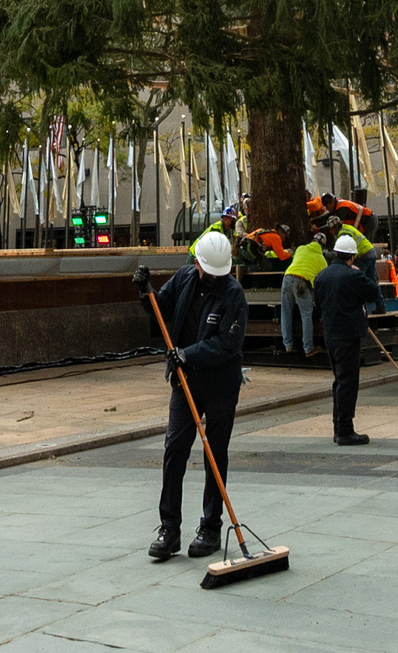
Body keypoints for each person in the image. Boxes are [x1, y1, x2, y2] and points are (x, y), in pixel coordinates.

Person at [145, 229, 249, 561]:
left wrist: (188, 354)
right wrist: (145, 291)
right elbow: (161, 308)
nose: (214, 278)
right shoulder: (185, 277)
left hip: (219, 385)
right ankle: (169, 528)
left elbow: (226, 344)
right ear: (198, 263)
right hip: (184, 381)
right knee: (175, 450)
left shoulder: (234, 295)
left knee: (215, 456)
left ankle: (211, 527)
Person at [316, 232, 376, 445]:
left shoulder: (321, 276)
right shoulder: (353, 275)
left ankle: (338, 427)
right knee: (348, 383)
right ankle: (344, 430)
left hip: (331, 335)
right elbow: (373, 292)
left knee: (339, 381)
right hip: (348, 335)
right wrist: (359, 274)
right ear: (351, 257)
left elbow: (319, 304)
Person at [280, 224, 326, 358]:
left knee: (285, 313)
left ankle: (288, 346)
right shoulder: (322, 260)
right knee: (306, 314)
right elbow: (321, 280)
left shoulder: (300, 249)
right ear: (321, 246)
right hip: (302, 282)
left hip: (287, 278)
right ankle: (308, 348)